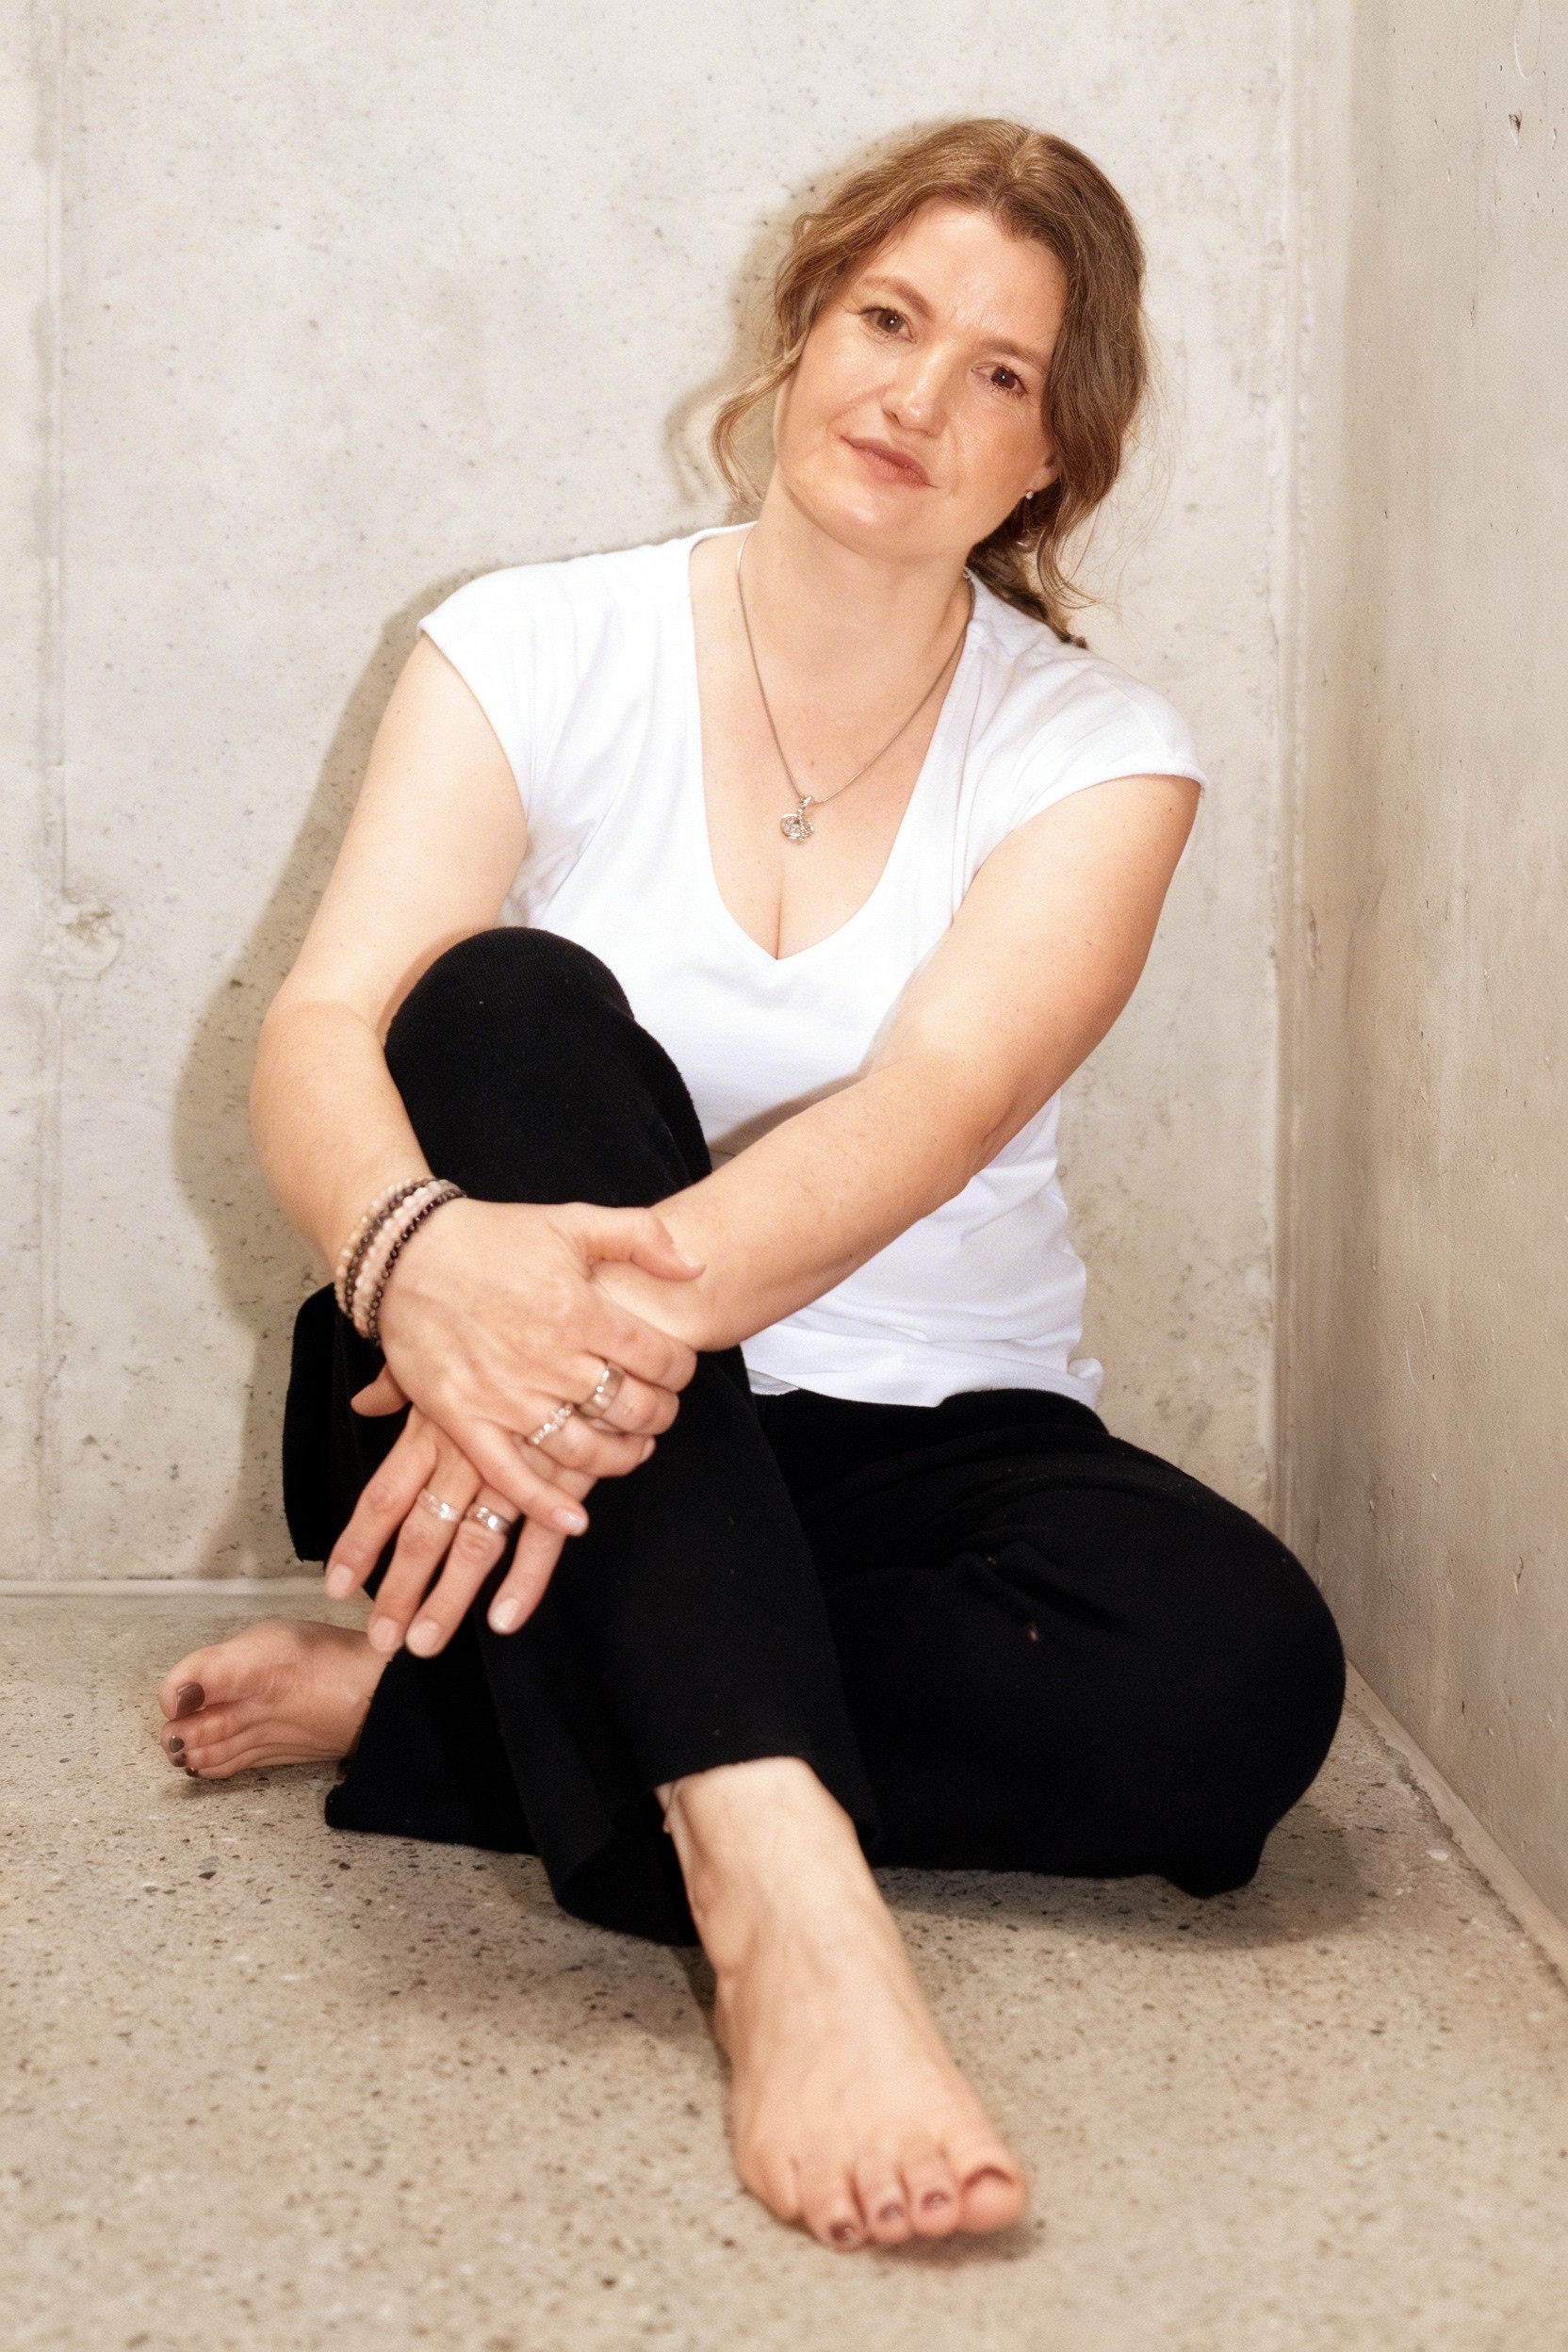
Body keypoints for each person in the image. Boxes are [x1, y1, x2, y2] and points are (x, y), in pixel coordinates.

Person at [156, 118, 1345, 2252]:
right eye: (888, 320)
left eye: (998, 373)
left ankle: (467, 1724)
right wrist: (427, 1270)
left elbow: (937, 1114)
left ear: (1048, 463)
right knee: (501, 1003)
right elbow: (325, 1035)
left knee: (1233, 1675)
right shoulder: (527, 644)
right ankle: (775, 1892)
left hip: (897, 1440)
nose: (916, 394)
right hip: (477, 1427)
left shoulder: (1097, 750)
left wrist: (597, 1322)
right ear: (798, 335)